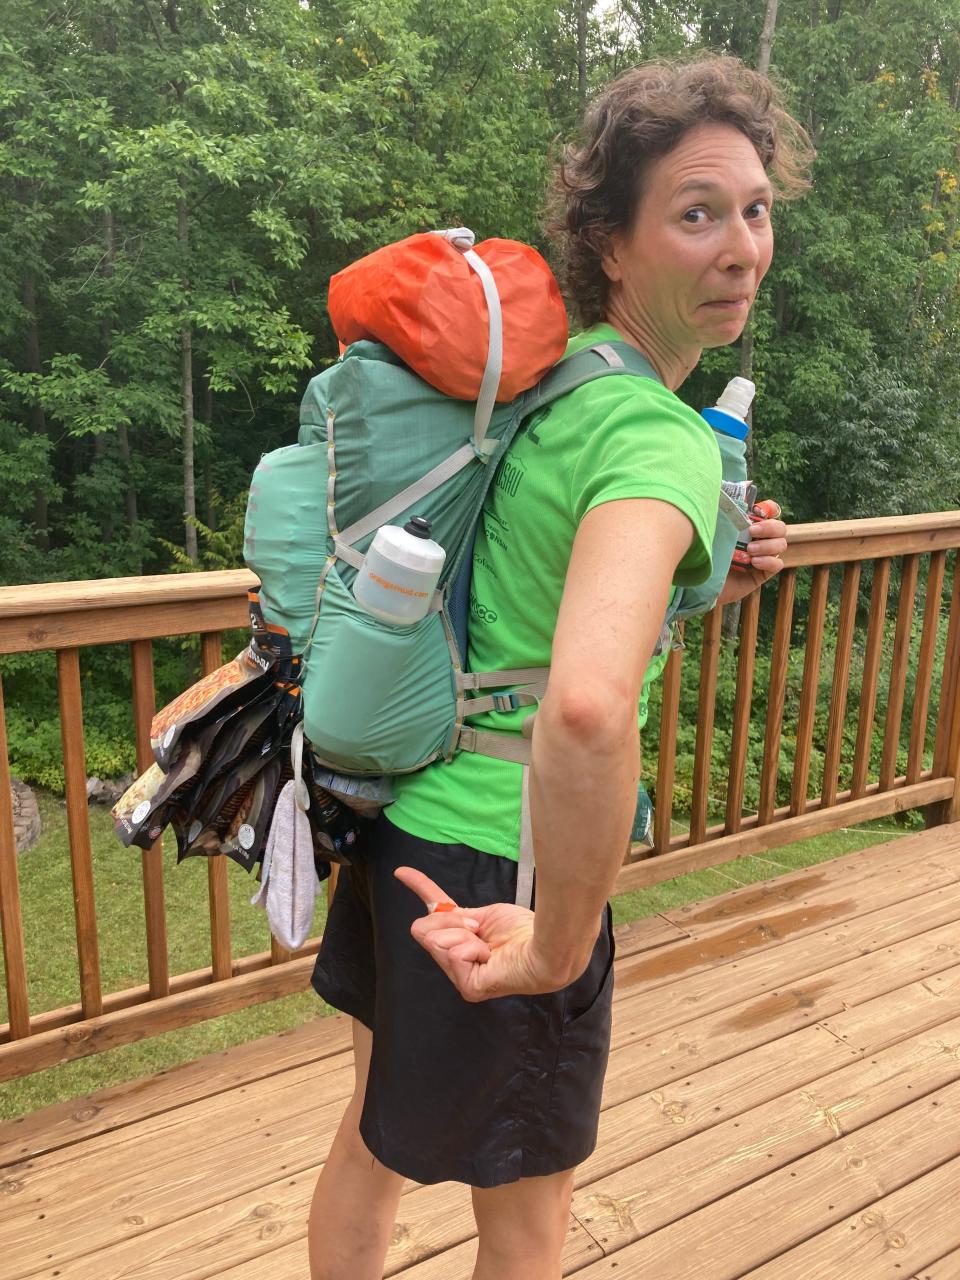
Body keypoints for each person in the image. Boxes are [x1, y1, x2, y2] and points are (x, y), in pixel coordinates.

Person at [308, 55, 812, 1280]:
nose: (741, 244)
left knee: (372, 1137)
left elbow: (534, 609)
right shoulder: (655, 433)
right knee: (528, 1229)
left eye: (754, 208)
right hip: (503, 864)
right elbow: (585, 707)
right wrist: (557, 941)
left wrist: (708, 582)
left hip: (407, 816)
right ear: (611, 241)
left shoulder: (551, 385)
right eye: (696, 214)